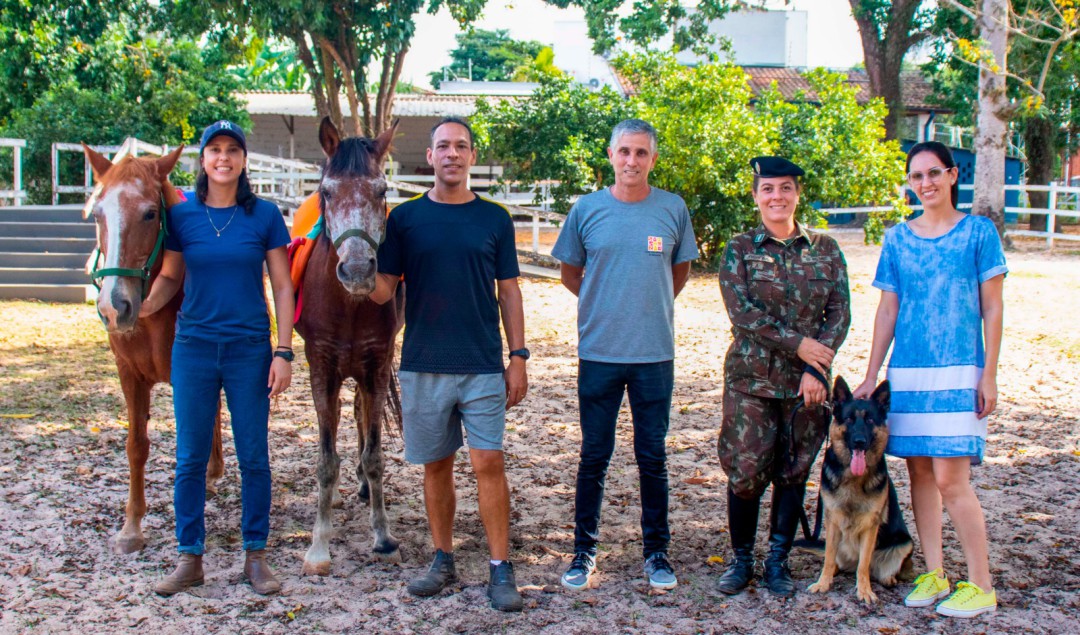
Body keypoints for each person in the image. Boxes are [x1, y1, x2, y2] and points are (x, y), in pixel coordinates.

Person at [369, 116, 527, 613]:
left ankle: (500, 568)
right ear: (431, 157)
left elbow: (509, 291)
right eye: (443, 146)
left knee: (488, 462)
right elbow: (381, 289)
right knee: (436, 466)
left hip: (481, 362)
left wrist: (518, 356)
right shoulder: (405, 221)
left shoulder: (494, 219)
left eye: (461, 146)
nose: (452, 154)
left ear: (472, 157)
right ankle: (443, 559)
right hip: (423, 363)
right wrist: (350, 261)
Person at [141, 121, 295, 596]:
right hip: (193, 349)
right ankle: (190, 557)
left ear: (243, 161)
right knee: (189, 458)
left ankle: (255, 555)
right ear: (203, 161)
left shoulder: (265, 215)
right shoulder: (183, 218)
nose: (223, 157)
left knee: (253, 457)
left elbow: (283, 285)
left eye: (233, 150)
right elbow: (169, 277)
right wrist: (139, 308)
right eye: (215, 150)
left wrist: (284, 350)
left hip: (250, 350)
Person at [853, 141, 1005, 618]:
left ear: (952, 175)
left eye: (934, 173)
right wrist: (871, 373)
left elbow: (993, 307)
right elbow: (888, 310)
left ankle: (980, 583)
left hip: (961, 370)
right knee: (918, 470)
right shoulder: (898, 238)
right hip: (909, 373)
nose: (926, 184)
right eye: (917, 177)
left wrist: (990, 375)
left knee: (950, 478)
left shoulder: (979, 233)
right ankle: (935, 573)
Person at [551, 118, 698, 591]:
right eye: (624, 152)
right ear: (611, 156)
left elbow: (679, 274)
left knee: (652, 456)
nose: (632, 161)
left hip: (654, 354)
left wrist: (644, 307)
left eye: (641, 153)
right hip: (599, 353)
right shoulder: (587, 209)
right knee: (594, 455)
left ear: (652, 159)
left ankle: (657, 554)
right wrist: (607, 304)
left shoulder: (672, 209)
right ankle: (583, 552)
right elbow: (571, 274)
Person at [715, 156, 851, 598]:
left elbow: (839, 312)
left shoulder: (826, 249)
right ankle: (741, 561)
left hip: (805, 386)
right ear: (755, 196)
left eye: (785, 188)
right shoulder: (740, 248)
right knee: (746, 470)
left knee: (794, 471)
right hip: (750, 381)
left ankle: (777, 561)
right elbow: (743, 314)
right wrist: (798, 345)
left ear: (797, 194)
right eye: (768, 188)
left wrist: (816, 367)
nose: (777, 196)